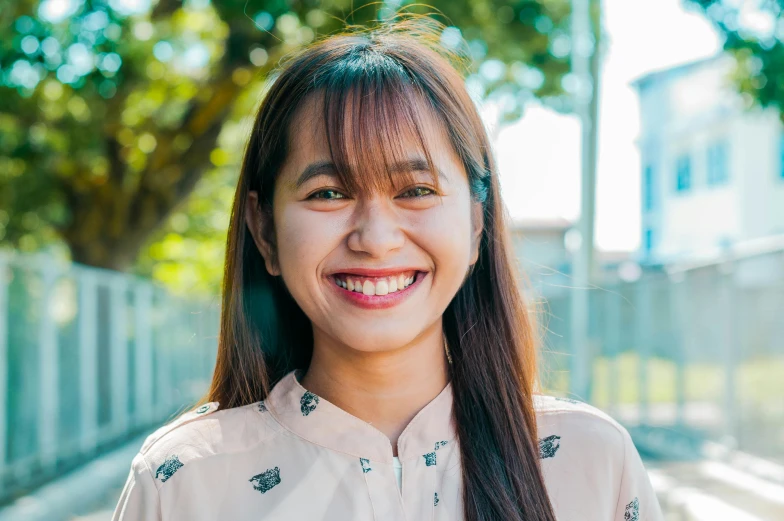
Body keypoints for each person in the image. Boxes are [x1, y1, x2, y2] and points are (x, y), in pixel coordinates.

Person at [112, 16, 664, 521]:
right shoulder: (184, 482)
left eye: (417, 190)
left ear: (476, 224)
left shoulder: (592, 460)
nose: (376, 239)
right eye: (328, 192)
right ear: (264, 230)